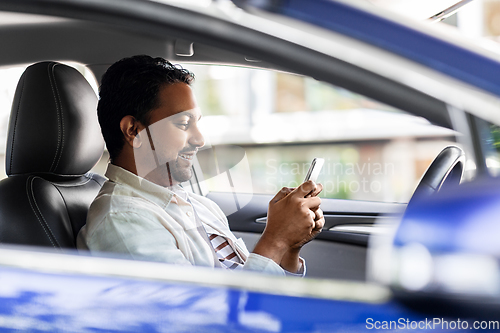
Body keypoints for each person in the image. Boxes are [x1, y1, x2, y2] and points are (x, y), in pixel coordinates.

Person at [77, 55, 324, 276]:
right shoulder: (123, 220)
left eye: (197, 123)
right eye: (184, 124)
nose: (200, 139)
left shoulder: (198, 205)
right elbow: (204, 318)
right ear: (134, 131)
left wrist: (290, 248)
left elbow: (246, 281)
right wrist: (275, 239)